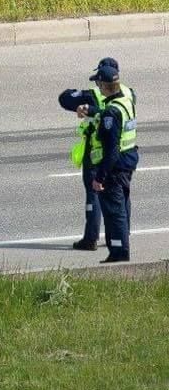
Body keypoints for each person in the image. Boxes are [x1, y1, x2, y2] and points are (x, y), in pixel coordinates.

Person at [58, 57, 135, 251]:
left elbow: (64, 98)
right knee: (122, 194)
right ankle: (122, 233)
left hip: (99, 153)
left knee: (94, 194)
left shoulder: (92, 94)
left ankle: (90, 238)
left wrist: (85, 106)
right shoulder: (129, 93)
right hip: (125, 153)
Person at [77, 64, 138, 262]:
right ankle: (119, 251)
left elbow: (111, 151)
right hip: (128, 160)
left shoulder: (112, 113)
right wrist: (93, 111)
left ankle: (119, 254)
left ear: (103, 85)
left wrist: (100, 177)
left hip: (115, 167)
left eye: (98, 83)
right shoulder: (126, 101)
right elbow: (107, 114)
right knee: (120, 207)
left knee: (114, 212)